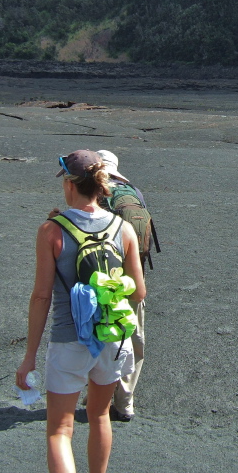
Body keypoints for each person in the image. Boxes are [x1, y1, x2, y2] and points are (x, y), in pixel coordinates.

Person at [17, 149, 146, 473]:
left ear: (70, 184)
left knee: (59, 430)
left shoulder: (51, 230)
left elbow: (41, 297)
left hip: (68, 340)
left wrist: (29, 357)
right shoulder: (122, 228)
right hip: (112, 340)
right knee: (100, 416)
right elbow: (139, 292)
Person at [96, 150, 151, 423]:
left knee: (101, 338)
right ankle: (125, 403)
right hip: (134, 277)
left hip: (103, 281)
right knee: (133, 338)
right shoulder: (134, 193)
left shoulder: (95, 192)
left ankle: (98, 399)